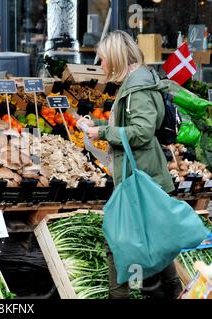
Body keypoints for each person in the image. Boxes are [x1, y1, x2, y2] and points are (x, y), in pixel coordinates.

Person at [77, 30, 182, 299]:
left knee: (118, 241)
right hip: (143, 176)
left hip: (140, 178)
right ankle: (177, 292)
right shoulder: (137, 82)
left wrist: (100, 134)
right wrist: (97, 125)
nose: (100, 66)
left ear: (115, 58)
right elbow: (126, 126)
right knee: (155, 240)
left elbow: (142, 132)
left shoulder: (138, 88)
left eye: (102, 60)